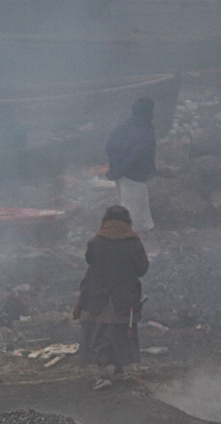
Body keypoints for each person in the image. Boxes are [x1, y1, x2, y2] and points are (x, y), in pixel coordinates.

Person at [73, 205, 149, 375]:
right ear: (127, 222)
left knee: (98, 333)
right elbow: (142, 269)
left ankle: (103, 373)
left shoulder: (96, 241)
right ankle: (119, 369)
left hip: (96, 298)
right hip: (124, 298)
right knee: (121, 333)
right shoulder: (134, 242)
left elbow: (89, 260)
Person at [105, 96, 157, 233]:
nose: (153, 114)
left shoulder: (123, 125)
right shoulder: (143, 132)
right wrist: (120, 170)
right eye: (151, 111)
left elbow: (109, 147)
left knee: (141, 202)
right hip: (132, 175)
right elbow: (137, 156)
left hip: (124, 173)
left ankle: (148, 228)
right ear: (147, 113)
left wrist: (114, 168)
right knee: (132, 211)